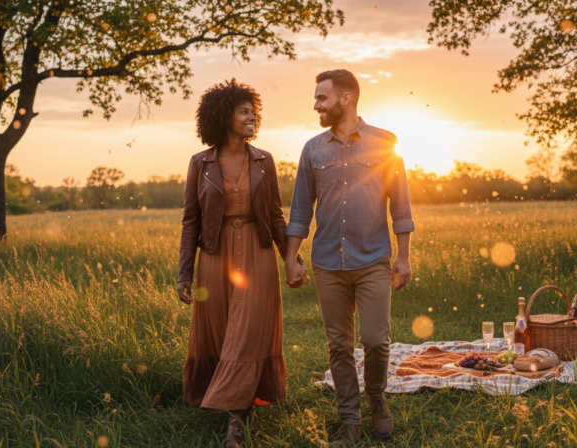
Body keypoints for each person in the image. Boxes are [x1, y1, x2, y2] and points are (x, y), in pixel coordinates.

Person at [283, 69, 415, 446]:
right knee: (339, 344)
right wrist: (292, 257)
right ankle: (350, 419)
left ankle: (376, 396)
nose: (315, 105)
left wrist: (403, 257)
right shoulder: (313, 149)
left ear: (346, 99)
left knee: (375, 339)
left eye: (321, 98)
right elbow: (299, 210)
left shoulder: (385, 142)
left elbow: (400, 205)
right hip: (327, 262)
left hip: (373, 258)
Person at [178, 79, 304, 448]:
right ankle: (231, 401)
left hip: (257, 253)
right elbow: (191, 220)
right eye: (243, 111)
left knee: (247, 333)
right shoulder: (199, 163)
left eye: (254, 111)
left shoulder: (264, 160)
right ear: (223, 116)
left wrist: (291, 260)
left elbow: (276, 216)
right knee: (221, 330)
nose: (252, 117)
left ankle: (236, 422)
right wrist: (185, 272)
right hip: (214, 257)